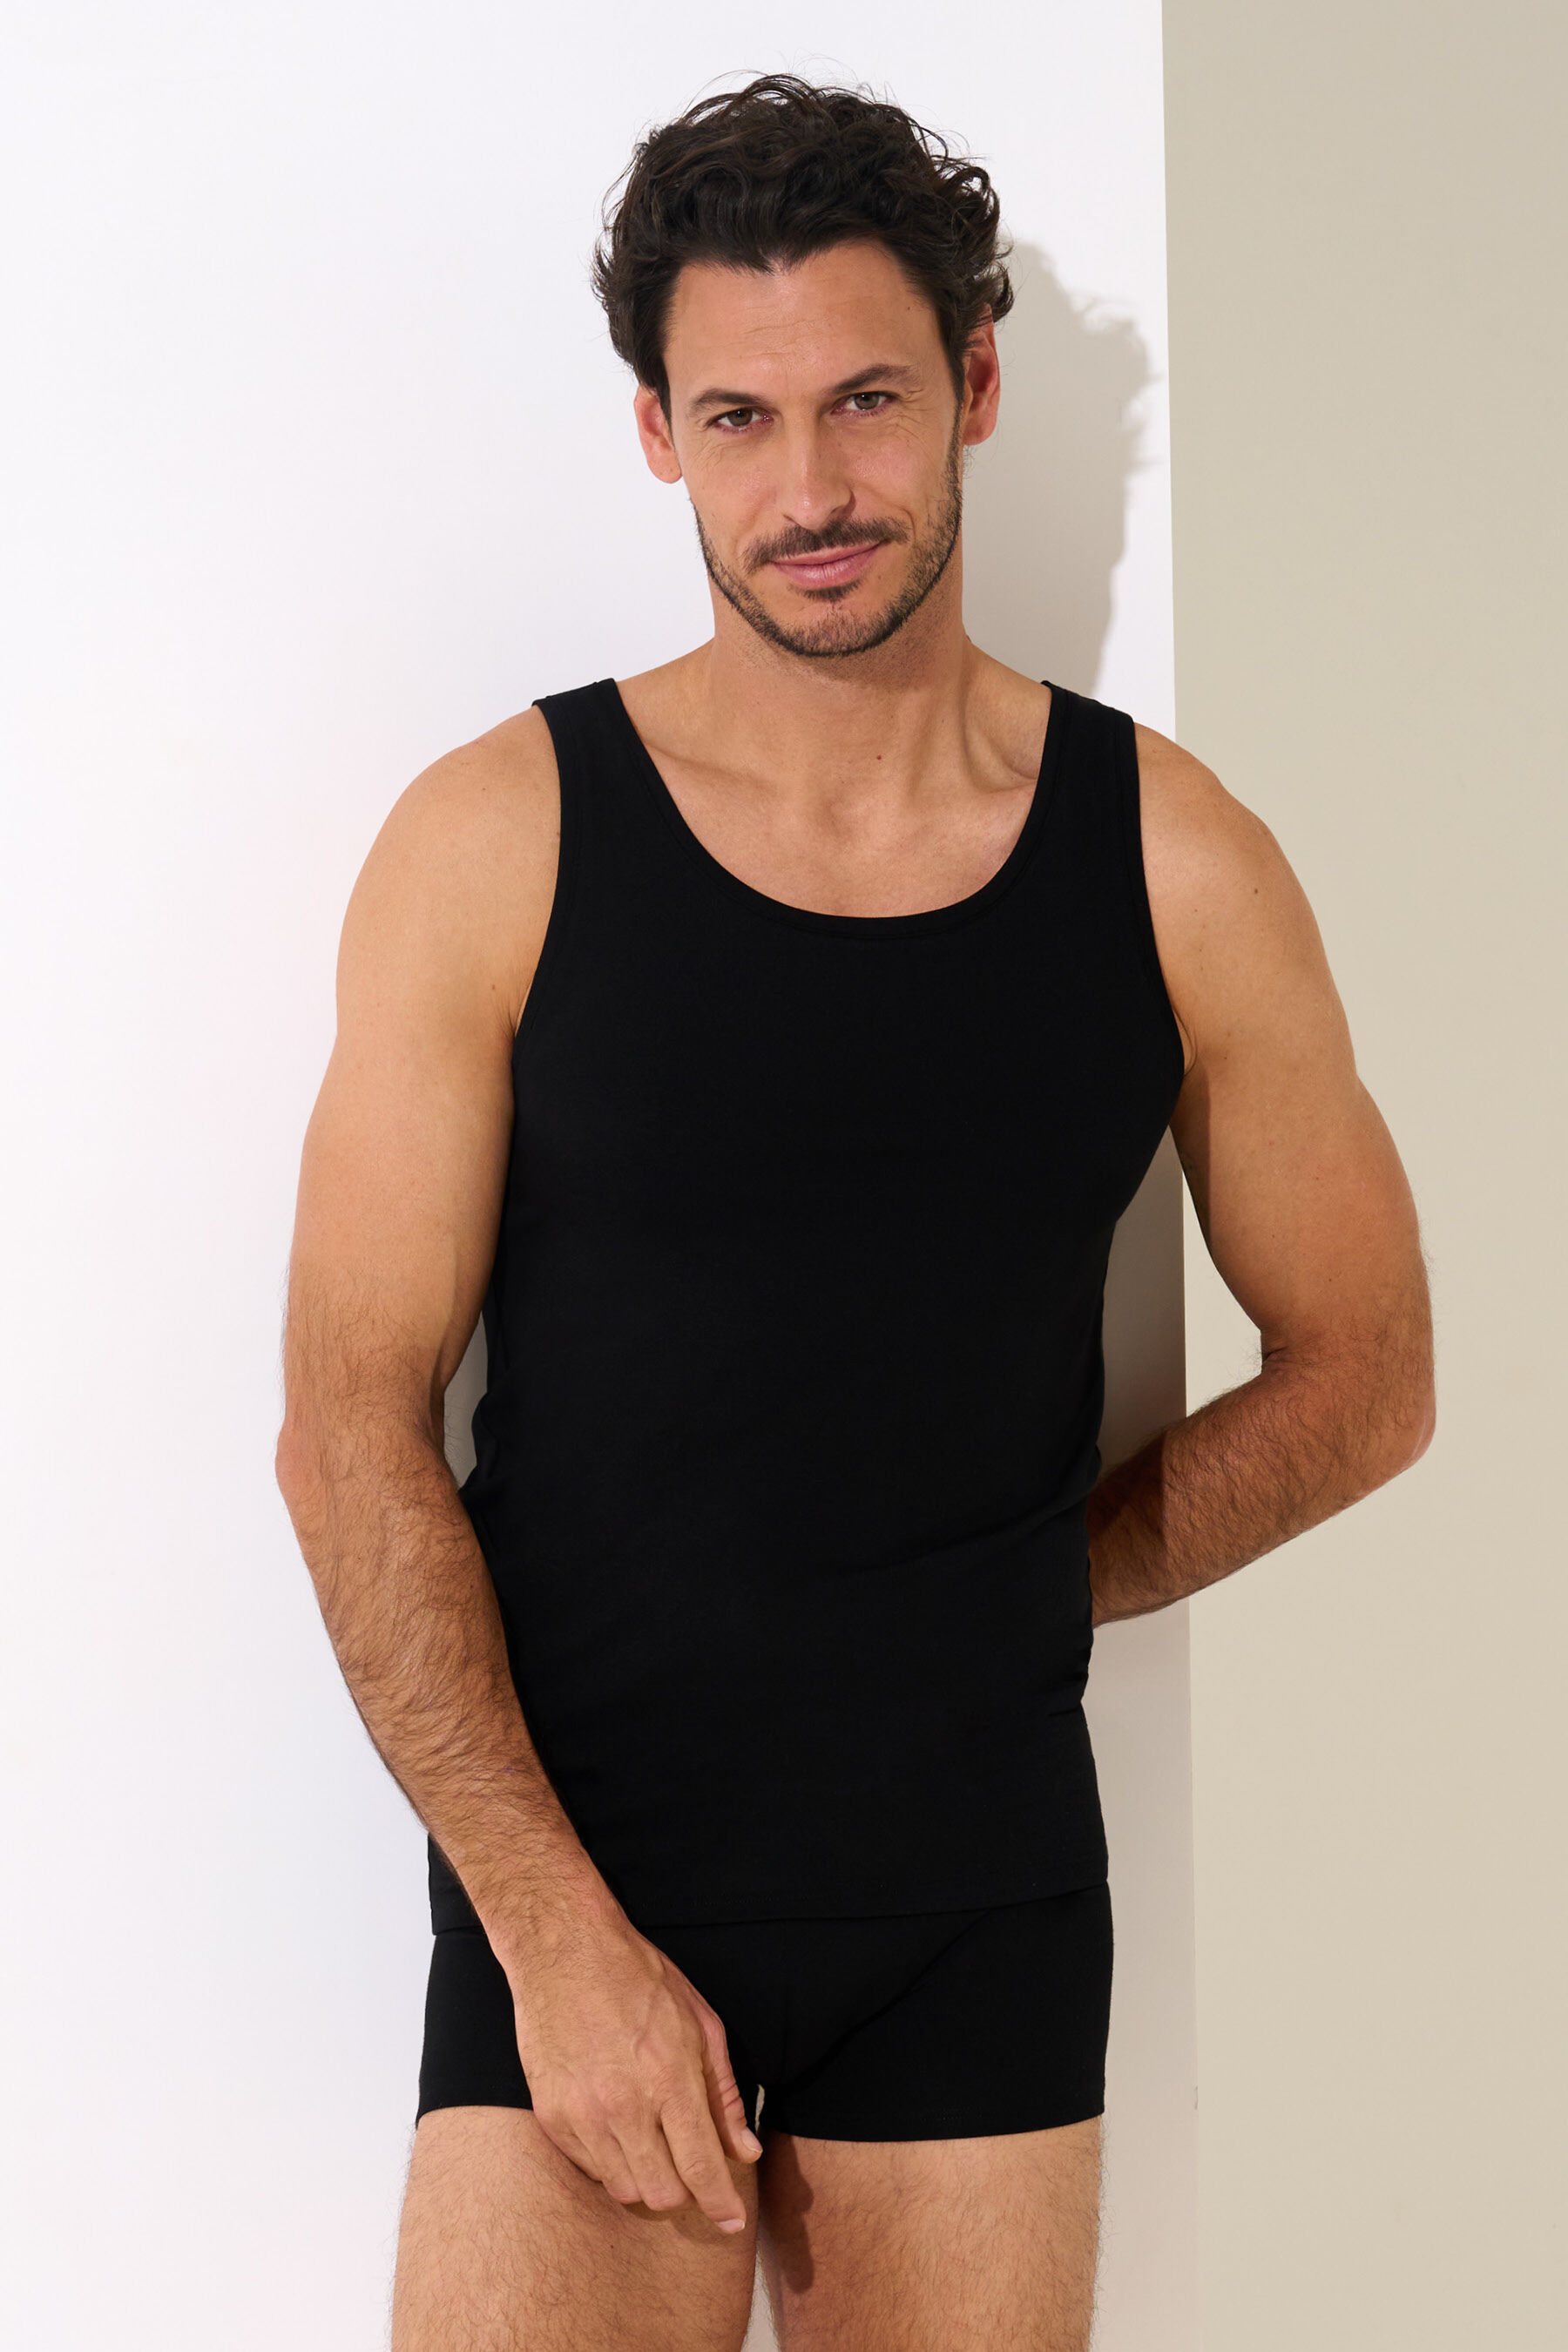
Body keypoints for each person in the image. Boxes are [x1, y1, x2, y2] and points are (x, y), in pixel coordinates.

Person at [274, 72, 1435, 2352]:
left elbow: (1367, 1374)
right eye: (739, 416)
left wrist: (1024, 1578)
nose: (808, 488)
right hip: (585, 1872)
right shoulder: (500, 839)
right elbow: (347, 1428)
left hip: (975, 1902)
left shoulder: (1174, 862)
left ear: (974, 386)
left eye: (867, 401)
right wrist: (550, 1938)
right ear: (660, 434)